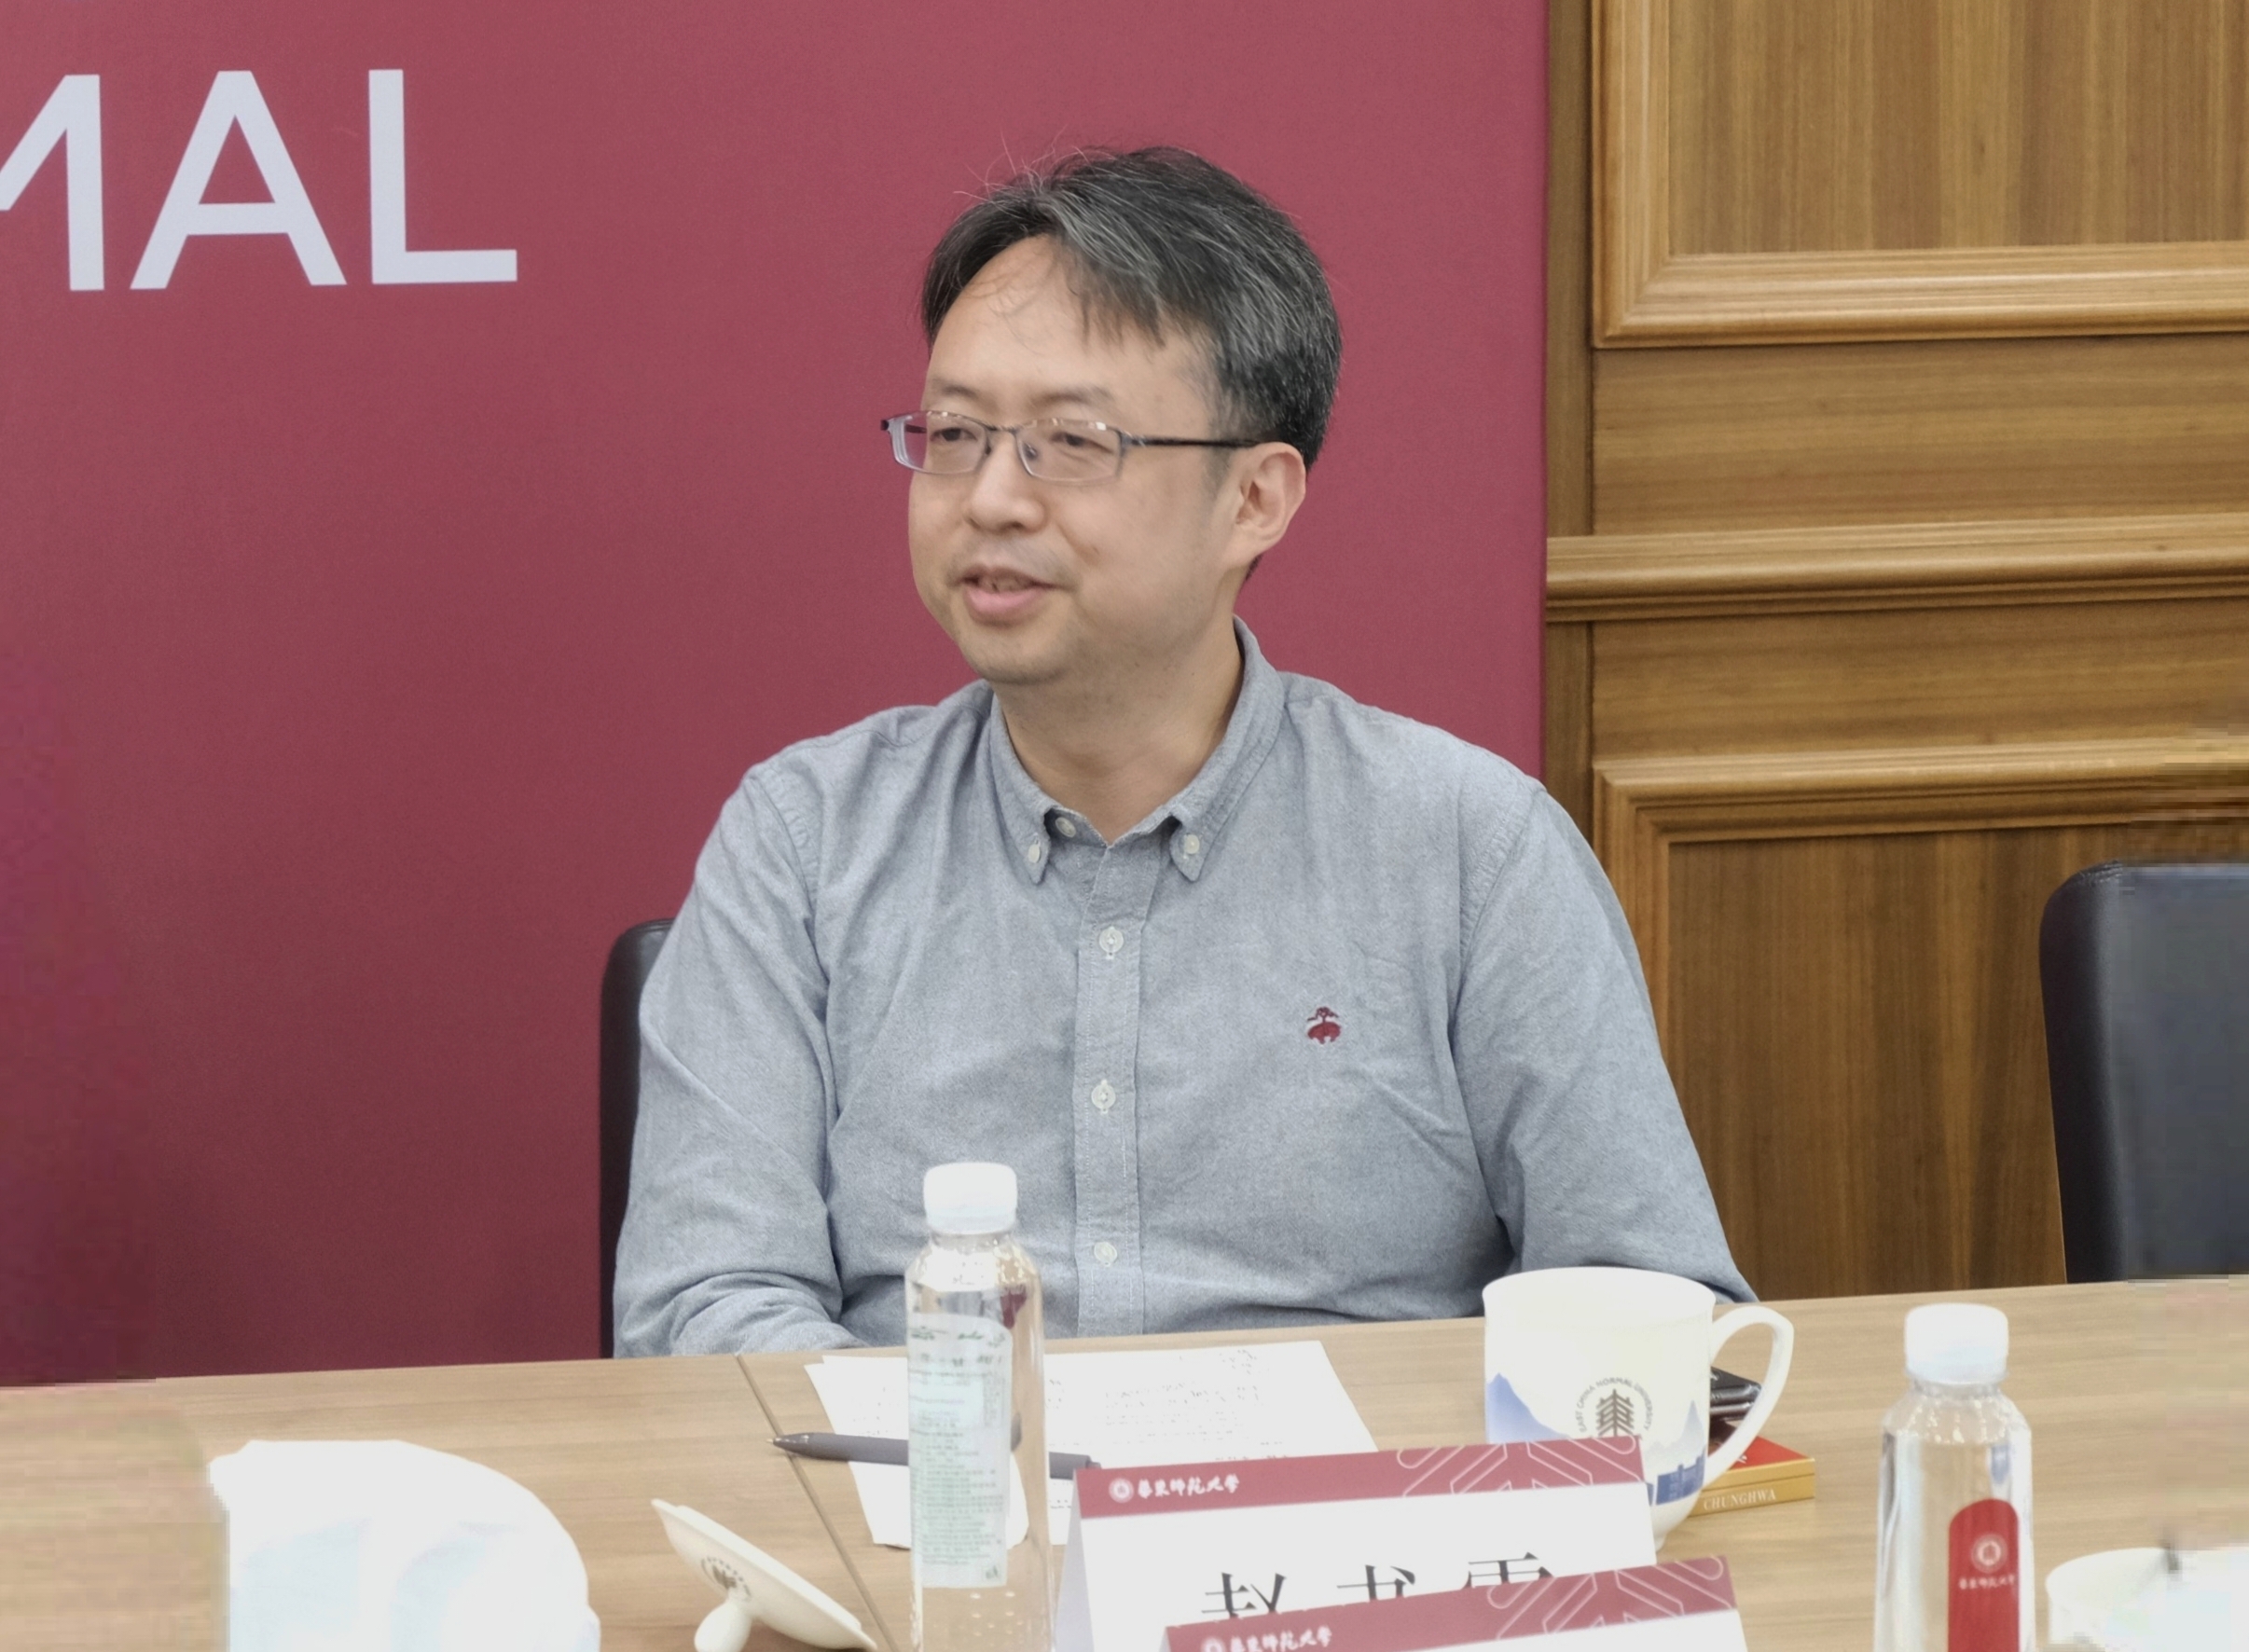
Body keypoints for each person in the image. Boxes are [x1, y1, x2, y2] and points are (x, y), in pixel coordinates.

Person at [614, 147, 1748, 1356]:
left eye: (1070, 441)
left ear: (1255, 499)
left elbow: (1656, 1312)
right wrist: (969, 1449)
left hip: (1352, 1479)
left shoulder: (1472, 849)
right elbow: (703, 1307)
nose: (990, 498)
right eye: (955, 432)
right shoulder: (804, 843)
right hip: (934, 1474)